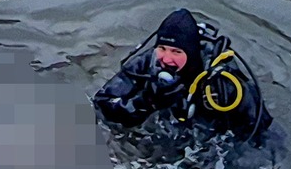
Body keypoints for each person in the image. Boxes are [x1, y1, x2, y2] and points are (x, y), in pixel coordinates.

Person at [93, 9, 272, 143]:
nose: (166, 59)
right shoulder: (148, 63)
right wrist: (146, 102)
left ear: (191, 52)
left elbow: (259, 130)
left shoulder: (223, 83)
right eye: (162, 48)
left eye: (176, 52)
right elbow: (102, 103)